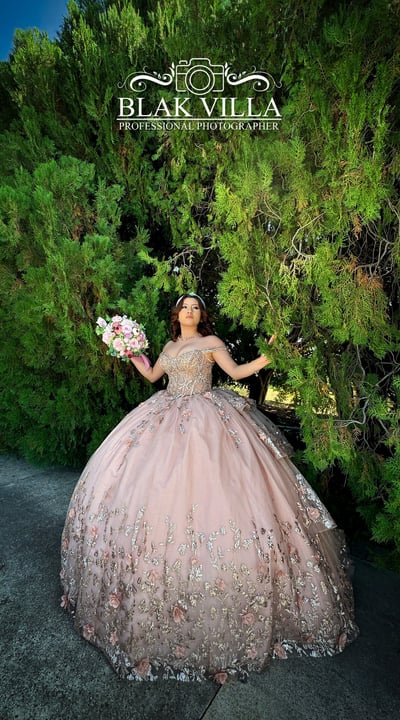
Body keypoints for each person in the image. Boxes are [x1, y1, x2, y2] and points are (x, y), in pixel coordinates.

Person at [61, 293, 358, 683]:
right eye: (185, 307)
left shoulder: (211, 343)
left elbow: (236, 372)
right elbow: (152, 376)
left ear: (201, 315)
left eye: (196, 307)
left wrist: (268, 356)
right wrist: (129, 350)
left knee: (220, 491)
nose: (190, 311)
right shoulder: (169, 347)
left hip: (207, 418)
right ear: (176, 314)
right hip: (164, 414)